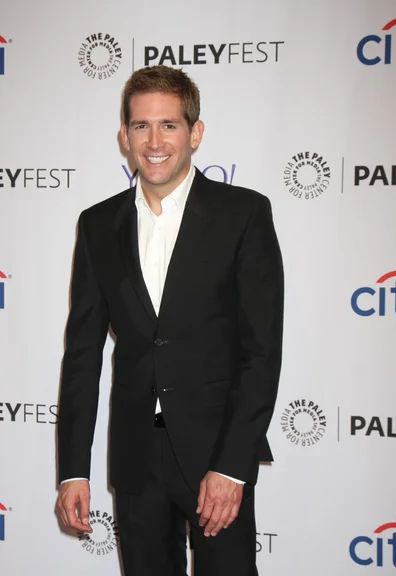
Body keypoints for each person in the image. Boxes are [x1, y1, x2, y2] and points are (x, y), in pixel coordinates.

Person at [57, 65, 284, 576]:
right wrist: (73, 471)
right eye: (141, 126)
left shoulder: (243, 214)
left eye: (169, 125)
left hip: (216, 455)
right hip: (137, 459)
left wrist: (232, 465)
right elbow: (82, 355)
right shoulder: (97, 224)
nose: (154, 141)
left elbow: (261, 352)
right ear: (124, 136)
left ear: (195, 133)